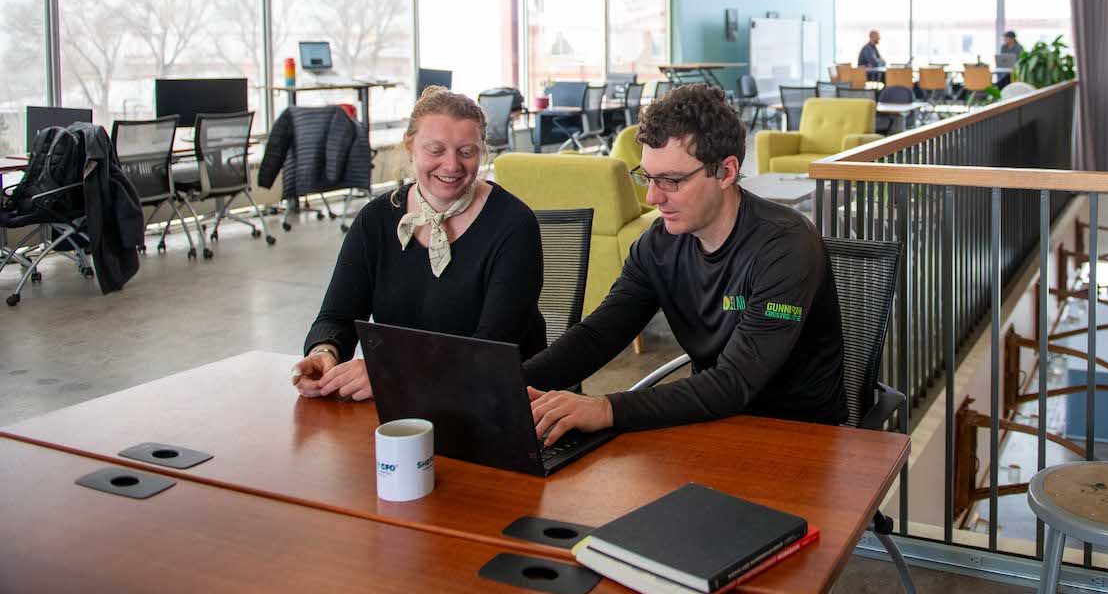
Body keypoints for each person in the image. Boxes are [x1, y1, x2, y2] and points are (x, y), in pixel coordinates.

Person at [524, 84, 845, 445]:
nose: (652, 196)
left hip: (799, 437)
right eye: (647, 176)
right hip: (710, 424)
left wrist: (604, 409)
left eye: (672, 181)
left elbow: (734, 382)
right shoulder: (658, 244)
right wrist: (510, 385)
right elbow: (600, 334)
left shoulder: (785, 245)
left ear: (726, 172)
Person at [290, 86, 546, 401]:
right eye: (435, 150)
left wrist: (392, 371)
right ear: (410, 148)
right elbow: (335, 317)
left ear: (482, 151)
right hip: (403, 402)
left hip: (497, 401)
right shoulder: (376, 220)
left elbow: (492, 347)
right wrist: (324, 351)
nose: (451, 166)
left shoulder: (513, 224)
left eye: (466, 152)